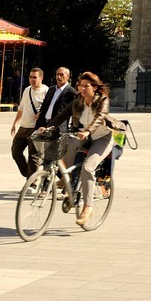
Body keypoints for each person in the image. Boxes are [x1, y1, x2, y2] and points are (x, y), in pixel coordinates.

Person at [60, 72, 115, 226]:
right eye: (80, 85)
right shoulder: (78, 101)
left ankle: (87, 207)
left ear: (94, 87)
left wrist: (88, 131)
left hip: (102, 138)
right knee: (65, 146)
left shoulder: (102, 100)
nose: (82, 89)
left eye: (86, 86)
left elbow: (100, 118)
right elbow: (63, 114)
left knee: (87, 167)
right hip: (84, 136)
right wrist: (48, 127)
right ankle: (68, 180)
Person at [10, 67, 49, 179]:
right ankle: (30, 176)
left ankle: (31, 183)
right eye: (30, 77)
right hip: (23, 127)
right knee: (15, 152)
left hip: (35, 128)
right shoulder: (27, 90)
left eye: (35, 77)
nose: (32, 79)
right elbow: (21, 108)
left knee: (33, 157)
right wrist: (15, 124)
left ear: (41, 78)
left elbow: (50, 108)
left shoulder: (46, 91)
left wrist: (42, 114)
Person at [35, 67, 76, 134]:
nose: (59, 77)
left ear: (68, 76)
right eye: (57, 74)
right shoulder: (51, 89)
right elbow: (44, 105)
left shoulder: (71, 92)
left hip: (58, 128)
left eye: (62, 74)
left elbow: (71, 112)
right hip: (43, 124)